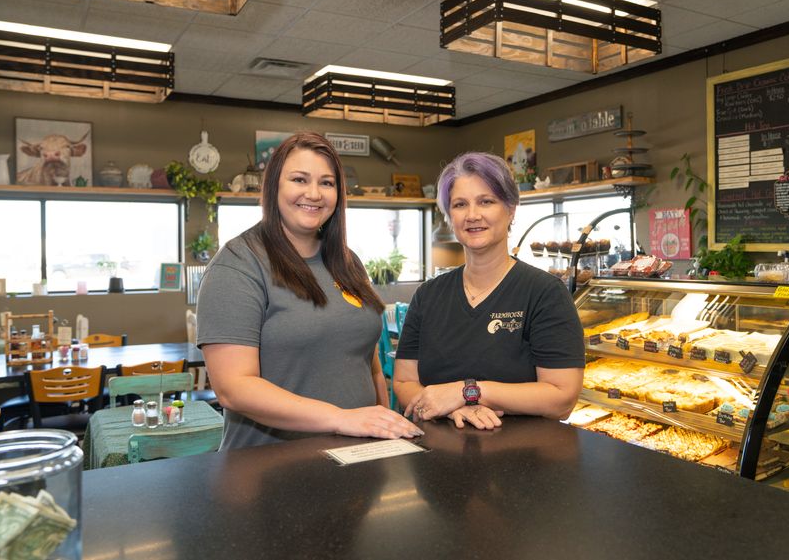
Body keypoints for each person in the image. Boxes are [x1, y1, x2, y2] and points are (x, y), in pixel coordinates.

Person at [197, 132, 422, 449]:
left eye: (327, 183)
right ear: (275, 185)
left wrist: (382, 424)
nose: (314, 193)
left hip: (355, 459)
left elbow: (366, 359)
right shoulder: (238, 264)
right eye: (299, 180)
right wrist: (341, 418)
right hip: (270, 467)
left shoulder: (347, 261)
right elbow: (234, 388)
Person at [393, 152, 584, 430]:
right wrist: (447, 408)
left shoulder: (544, 293)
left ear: (511, 209)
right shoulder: (428, 296)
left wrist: (467, 392)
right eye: (460, 204)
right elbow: (403, 382)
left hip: (525, 462)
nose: (473, 215)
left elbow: (562, 397)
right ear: (449, 216)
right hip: (437, 462)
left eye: (486, 201)